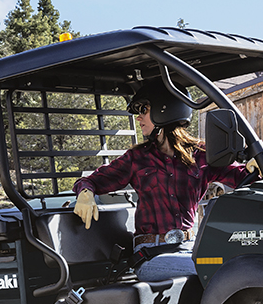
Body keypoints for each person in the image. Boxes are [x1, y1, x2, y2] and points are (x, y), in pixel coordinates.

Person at [72, 82, 252, 281]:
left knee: (230, 263)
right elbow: (91, 181)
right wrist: (85, 192)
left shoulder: (201, 155)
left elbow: (242, 178)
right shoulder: (137, 158)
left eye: (143, 109)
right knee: (219, 269)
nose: (138, 117)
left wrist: (255, 167)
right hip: (151, 255)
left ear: (164, 109)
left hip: (190, 249)